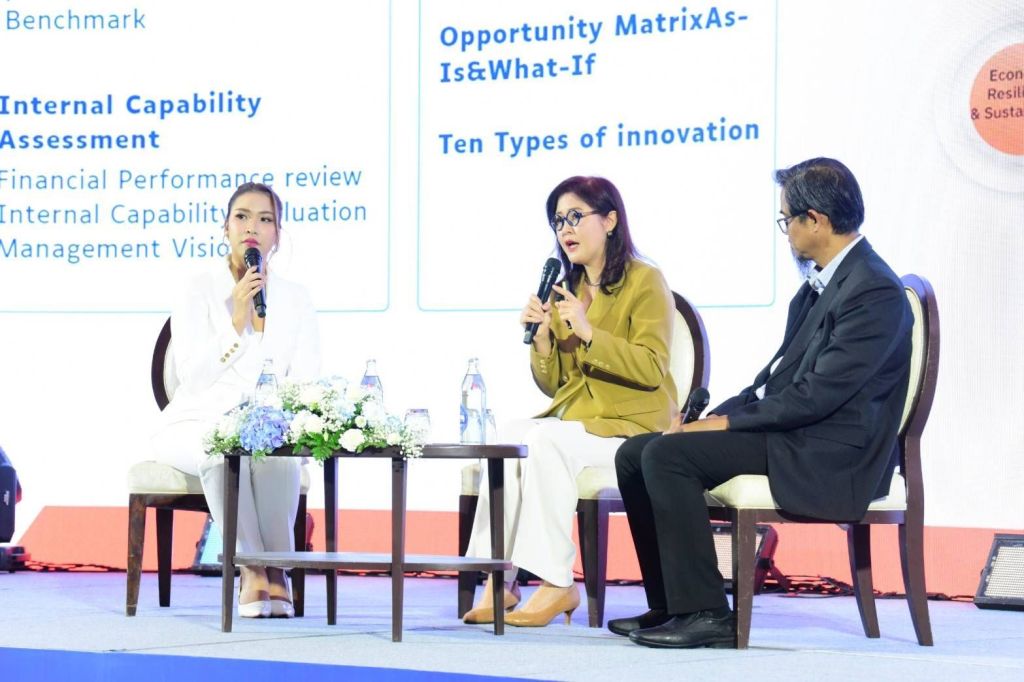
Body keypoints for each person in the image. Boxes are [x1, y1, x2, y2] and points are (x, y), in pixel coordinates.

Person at [612, 158, 913, 648]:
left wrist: (724, 426)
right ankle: (671, 604)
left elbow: (817, 396)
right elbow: (776, 381)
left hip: (831, 452)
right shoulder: (823, 285)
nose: (786, 231)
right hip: (799, 433)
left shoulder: (873, 289)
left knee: (668, 457)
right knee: (635, 453)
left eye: (786, 219)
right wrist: (715, 416)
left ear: (815, 220)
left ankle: (707, 613)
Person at [463, 176, 678, 627]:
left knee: (546, 442)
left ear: (611, 220)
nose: (566, 229)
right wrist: (543, 340)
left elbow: (652, 367)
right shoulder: (567, 287)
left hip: (633, 429)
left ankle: (557, 582)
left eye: (576, 216)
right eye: (559, 220)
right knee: (509, 439)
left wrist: (589, 332)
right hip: (582, 422)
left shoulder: (645, 280)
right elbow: (558, 385)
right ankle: (499, 577)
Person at [151, 182, 320, 618]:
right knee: (219, 453)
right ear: (225, 228)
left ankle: (278, 569)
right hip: (196, 420)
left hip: (265, 421)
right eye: (242, 217)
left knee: (279, 457)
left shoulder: (296, 298)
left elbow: (305, 379)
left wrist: (281, 422)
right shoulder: (198, 289)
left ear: (277, 235)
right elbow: (191, 378)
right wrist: (236, 319)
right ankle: (250, 567)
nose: (252, 227)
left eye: (265, 219)